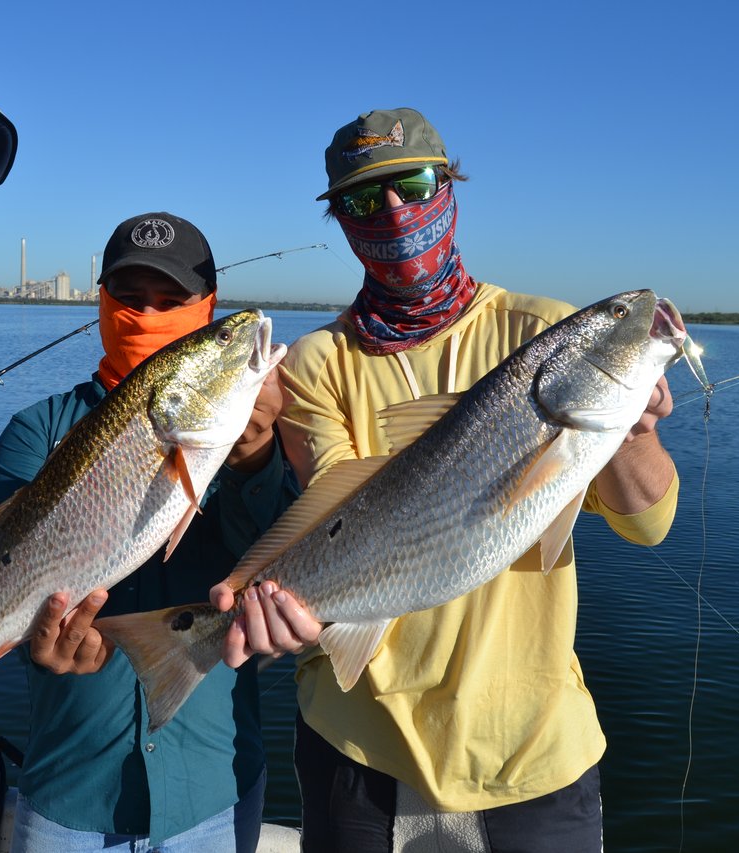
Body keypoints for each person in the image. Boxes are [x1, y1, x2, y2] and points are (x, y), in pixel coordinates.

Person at [214, 108, 679, 851]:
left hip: (531, 756)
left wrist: (632, 429)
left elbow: (648, 523)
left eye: (414, 183)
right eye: (366, 200)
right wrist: (266, 594)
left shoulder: (542, 333)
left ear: (450, 185)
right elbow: (346, 507)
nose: (395, 212)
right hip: (357, 750)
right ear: (339, 221)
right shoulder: (314, 364)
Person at [0, 212, 295, 852]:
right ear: (101, 302)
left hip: (212, 782)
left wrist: (254, 455)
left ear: (205, 310)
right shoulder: (35, 431)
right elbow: (2, 572)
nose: (147, 317)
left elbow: (286, 565)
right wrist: (37, 637)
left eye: (171, 301)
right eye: (128, 298)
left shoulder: (266, 431)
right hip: (71, 788)